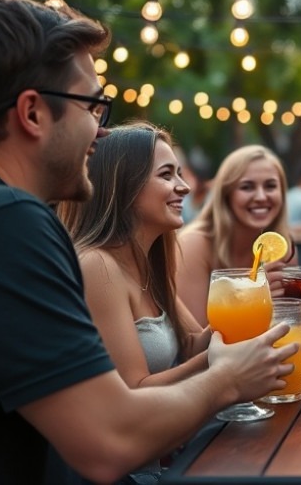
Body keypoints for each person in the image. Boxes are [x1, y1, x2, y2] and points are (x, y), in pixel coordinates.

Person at [0, 0, 296, 484]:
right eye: (93, 107)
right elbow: (110, 439)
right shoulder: (6, 221)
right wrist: (227, 379)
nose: (101, 132)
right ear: (32, 113)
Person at [56, 121, 217, 483]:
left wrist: (261, 313)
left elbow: (194, 345)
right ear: (124, 184)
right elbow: (133, 392)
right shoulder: (97, 266)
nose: (185, 186)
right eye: (166, 175)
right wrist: (226, 365)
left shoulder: (148, 262)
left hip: (165, 462)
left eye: (179, 172)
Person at [178, 144, 295, 327]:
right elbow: (195, 343)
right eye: (247, 187)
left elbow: (288, 325)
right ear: (226, 194)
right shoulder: (193, 245)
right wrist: (254, 300)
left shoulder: (279, 245)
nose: (261, 196)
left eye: (270, 186)